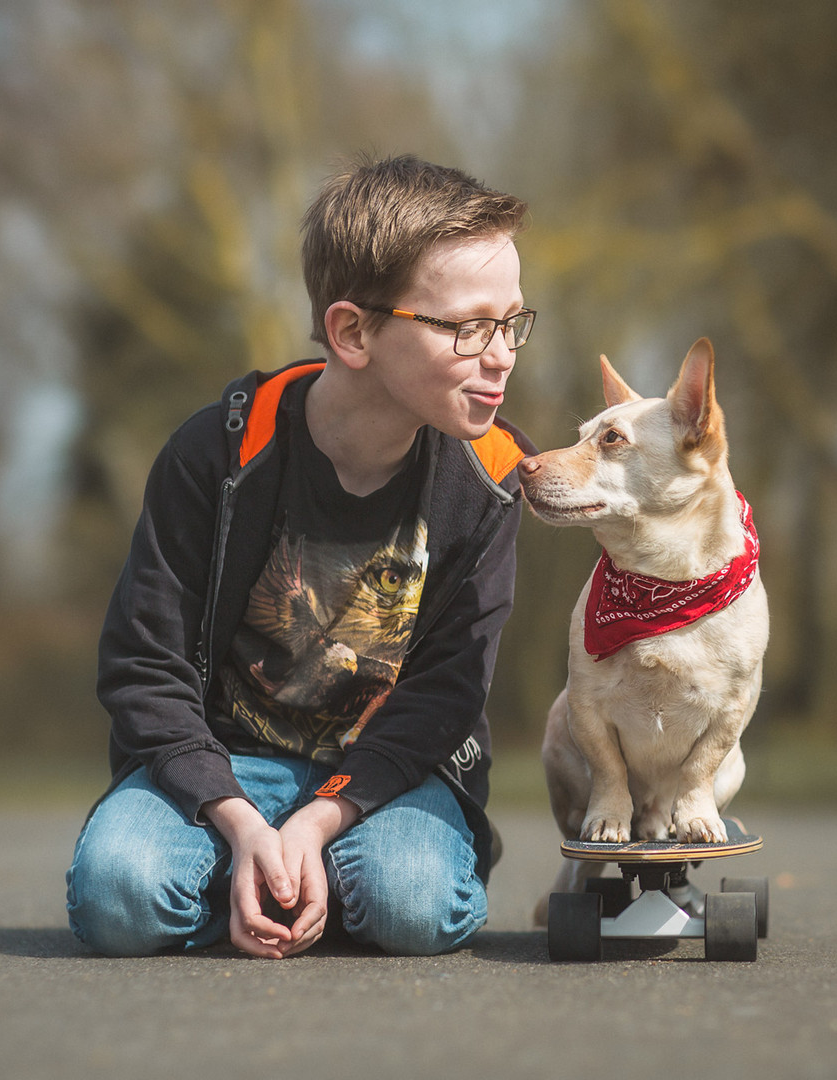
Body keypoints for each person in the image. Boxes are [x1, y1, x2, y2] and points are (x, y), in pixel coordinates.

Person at [65, 155, 534, 958]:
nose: (500, 355)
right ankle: (267, 876)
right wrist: (239, 820)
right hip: (222, 773)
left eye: (513, 321)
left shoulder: (490, 479)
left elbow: (447, 692)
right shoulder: (215, 455)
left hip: (388, 780)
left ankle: (298, 881)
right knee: (119, 894)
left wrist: (321, 820)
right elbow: (144, 668)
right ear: (355, 332)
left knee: (415, 906)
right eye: (467, 327)